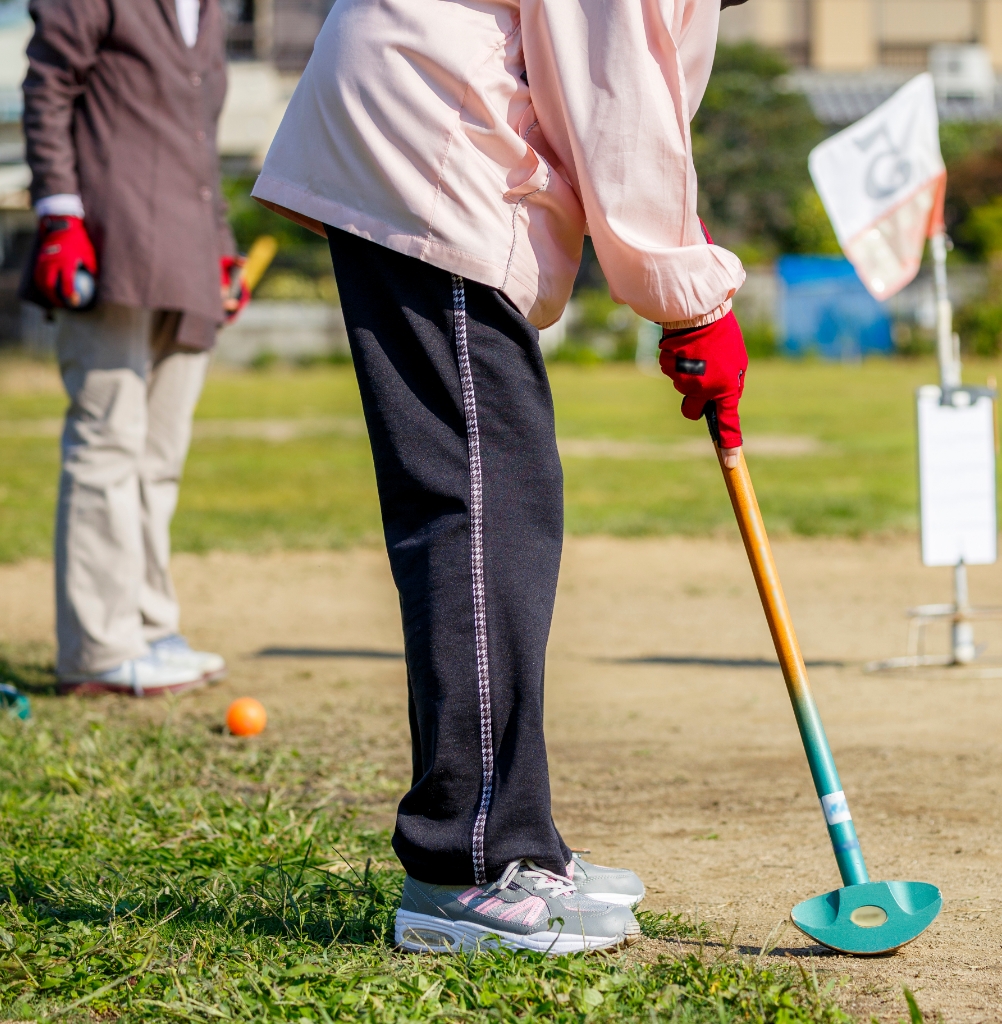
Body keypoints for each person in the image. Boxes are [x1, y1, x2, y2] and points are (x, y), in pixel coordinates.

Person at [251, 0, 751, 954]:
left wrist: (679, 250)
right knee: (482, 507)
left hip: (417, 124)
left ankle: (511, 842)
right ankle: (469, 865)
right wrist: (691, 302)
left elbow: (635, 103)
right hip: (433, 134)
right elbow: (615, 97)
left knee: (494, 496)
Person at [23, 0, 247, 697]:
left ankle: (148, 627)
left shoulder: (211, 9)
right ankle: (96, 648)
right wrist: (58, 211)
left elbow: (199, 136)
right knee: (106, 444)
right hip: (110, 241)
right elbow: (48, 84)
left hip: (189, 253)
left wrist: (223, 247)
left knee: (158, 457)